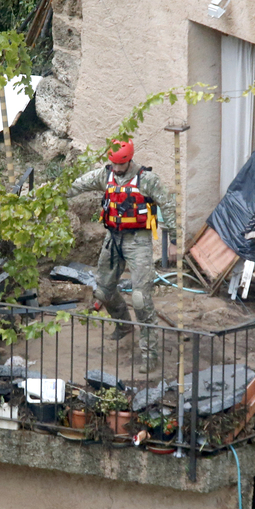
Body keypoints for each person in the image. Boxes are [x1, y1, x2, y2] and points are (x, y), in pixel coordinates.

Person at [66, 139, 176, 371]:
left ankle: (150, 354)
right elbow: (78, 185)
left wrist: (174, 235)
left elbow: (168, 203)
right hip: (113, 237)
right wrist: (53, 194)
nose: (116, 170)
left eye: (120, 165)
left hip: (138, 240)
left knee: (140, 298)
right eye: (113, 164)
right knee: (103, 291)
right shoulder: (105, 176)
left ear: (129, 160)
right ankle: (124, 324)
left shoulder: (147, 180)